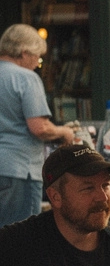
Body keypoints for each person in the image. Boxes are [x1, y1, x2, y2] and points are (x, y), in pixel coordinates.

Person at [0, 23, 77, 227]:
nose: (37, 64)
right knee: (21, 238)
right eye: (37, 57)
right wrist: (64, 132)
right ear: (24, 53)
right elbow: (39, 127)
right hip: (19, 168)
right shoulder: (26, 78)